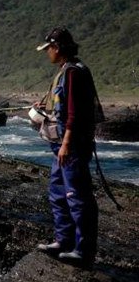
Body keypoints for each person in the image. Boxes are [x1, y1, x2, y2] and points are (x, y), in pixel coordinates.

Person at [34, 26, 102, 268]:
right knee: (58, 193)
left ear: (57, 48)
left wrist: (66, 144)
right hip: (61, 147)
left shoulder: (73, 73)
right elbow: (62, 108)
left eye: (48, 49)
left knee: (77, 197)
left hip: (70, 148)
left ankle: (84, 251)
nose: (47, 54)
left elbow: (73, 114)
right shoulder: (66, 71)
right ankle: (64, 241)